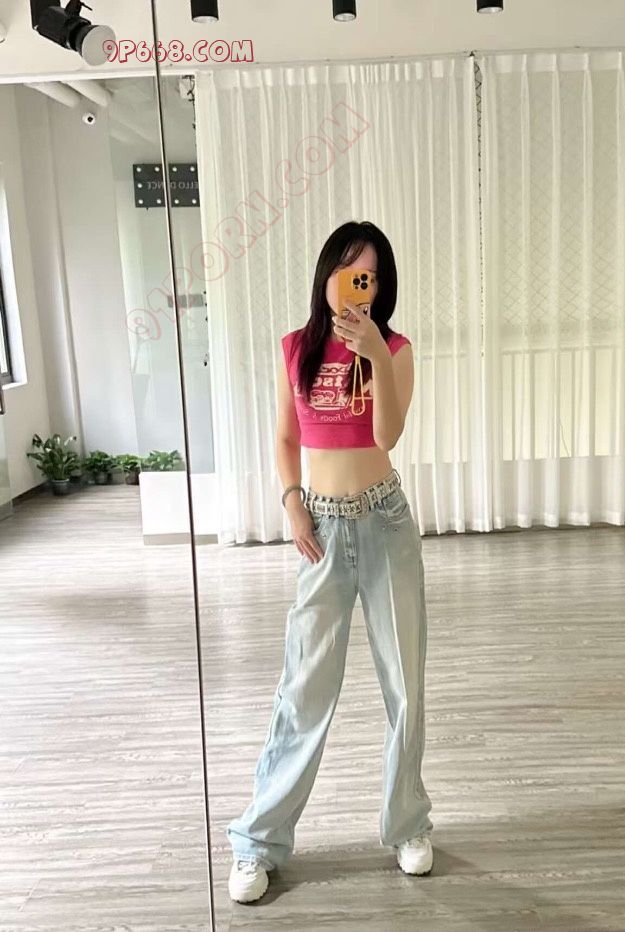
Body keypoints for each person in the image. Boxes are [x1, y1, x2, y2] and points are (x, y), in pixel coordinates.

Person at [227, 221, 433, 904]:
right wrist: (292, 503)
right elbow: (285, 437)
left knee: (404, 683)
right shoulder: (295, 348)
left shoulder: (395, 350)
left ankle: (407, 824)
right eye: (347, 271)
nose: (356, 287)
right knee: (305, 687)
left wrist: (373, 354)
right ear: (327, 276)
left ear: (381, 287)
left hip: (385, 523)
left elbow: (388, 434)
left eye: (368, 276)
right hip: (322, 525)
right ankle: (258, 841)